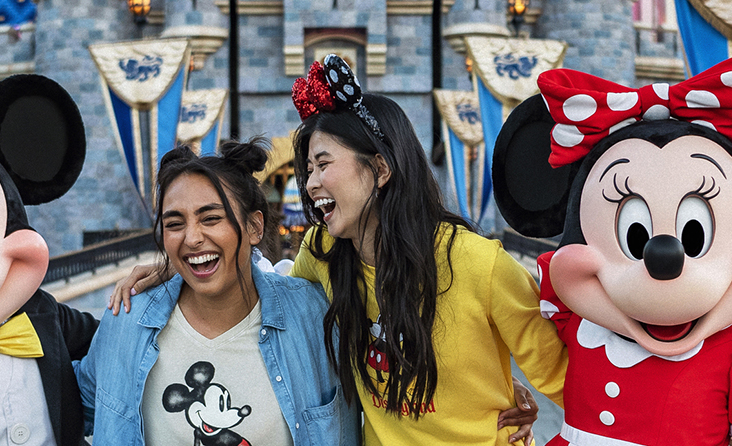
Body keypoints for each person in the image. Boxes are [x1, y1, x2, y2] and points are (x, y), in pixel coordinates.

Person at [114, 55, 564, 445]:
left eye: (323, 164)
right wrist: (181, 273)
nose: (310, 184)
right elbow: (263, 300)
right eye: (308, 168)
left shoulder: (479, 265)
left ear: (381, 168)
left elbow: (572, 383)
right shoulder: (324, 254)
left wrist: (510, 392)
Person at [76, 140, 359, 446]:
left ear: (254, 227)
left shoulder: (314, 317)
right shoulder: (128, 322)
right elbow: (75, 405)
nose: (192, 238)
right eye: (174, 223)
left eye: (211, 218)